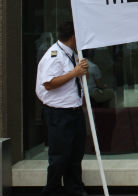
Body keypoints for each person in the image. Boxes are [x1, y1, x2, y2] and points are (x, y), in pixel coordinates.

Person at [35, 21, 89, 196]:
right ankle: (51, 190)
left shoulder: (71, 54)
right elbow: (49, 83)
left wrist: (79, 72)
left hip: (74, 111)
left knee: (75, 153)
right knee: (60, 155)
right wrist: (74, 73)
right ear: (73, 37)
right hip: (59, 113)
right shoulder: (54, 55)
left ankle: (74, 188)